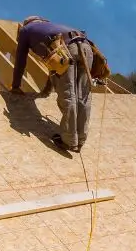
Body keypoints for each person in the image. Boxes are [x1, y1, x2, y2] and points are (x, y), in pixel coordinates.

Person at [10, 15, 93, 153]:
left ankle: (69, 141)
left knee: (69, 95)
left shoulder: (26, 30)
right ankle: (80, 140)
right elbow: (53, 68)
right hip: (87, 48)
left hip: (64, 50)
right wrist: (47, 90)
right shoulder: (52, 27)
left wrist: (16, 86)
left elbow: (20, 60)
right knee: (83, 96)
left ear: (26, 23)